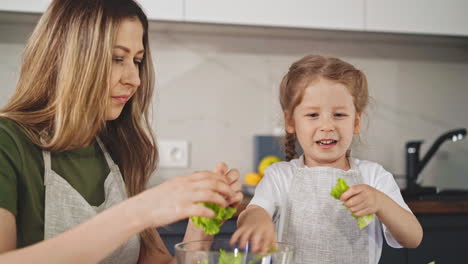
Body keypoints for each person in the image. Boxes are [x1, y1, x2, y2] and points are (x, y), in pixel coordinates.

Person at [0, 0, 243, 263]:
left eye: (137, 61)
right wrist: (142, 210)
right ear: (68, 56)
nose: (134, 79)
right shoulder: (8, 143)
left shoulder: (119, 149)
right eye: (117, 58)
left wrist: (201, 224)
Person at [231, 55, 423, 264]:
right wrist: (257, 220)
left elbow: (413, 238)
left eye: (339, 115)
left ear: (356, 122)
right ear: (290, 121)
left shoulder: (374, 176)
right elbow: (253, 212)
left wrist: (381, 202)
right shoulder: (280, 176)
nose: (327, 126)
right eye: (313, 115)